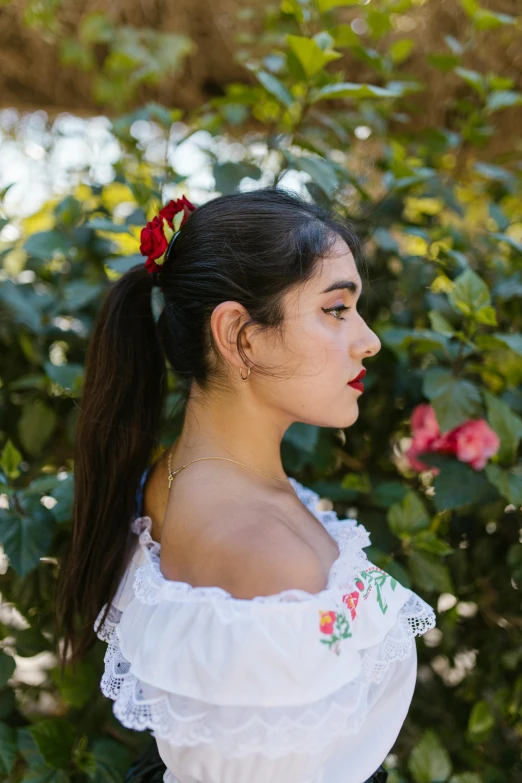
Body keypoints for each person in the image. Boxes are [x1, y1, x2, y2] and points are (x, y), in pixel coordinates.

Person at [55, 187, 436, 783]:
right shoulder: (262, 554)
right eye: (336, 309)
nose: (368, 340)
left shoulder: (171, 477)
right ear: (241, 335)